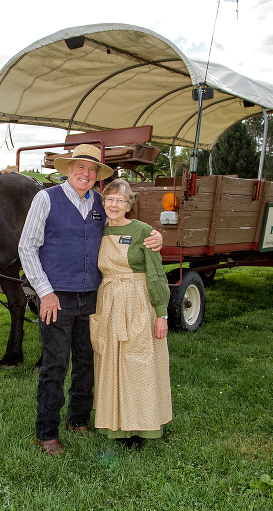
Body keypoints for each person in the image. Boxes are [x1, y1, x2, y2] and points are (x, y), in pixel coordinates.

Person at [18, 144, 162, 456]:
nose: (86, 173)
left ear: (97, 176)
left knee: (88, 361)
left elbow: (129, 229)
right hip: (56, 297)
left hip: (95, 297)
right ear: (68, 169)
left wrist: (155, 236)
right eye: (80, 167)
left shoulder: (101, 203)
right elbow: (27, 247)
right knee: (55, 365)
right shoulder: (46, 199)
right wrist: (45, 292)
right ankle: (47, 434)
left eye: (92, 169)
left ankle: (78, 420)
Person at [89, 179, 172, 449]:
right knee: (110, 361)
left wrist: (162, 313)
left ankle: (140, 428)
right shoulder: (97, 231)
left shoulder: (143, 231)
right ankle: (115, 425)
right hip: (109, 302)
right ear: (103, 203)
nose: (114, 205)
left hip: (137, 302)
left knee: (138, 363)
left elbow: (157, 273)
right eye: (110, 199)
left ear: (129, 205)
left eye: (121, 200)